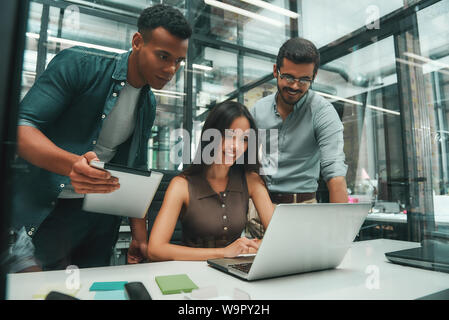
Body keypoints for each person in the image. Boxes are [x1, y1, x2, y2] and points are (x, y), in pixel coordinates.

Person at [7, 4, 192, 272]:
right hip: (49, 208)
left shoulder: (148, 102)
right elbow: (21, 128)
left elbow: (135, 170)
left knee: (93, 290)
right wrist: (73, 165)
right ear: (138, 42)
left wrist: (140, 236)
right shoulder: (80, 64)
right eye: (163, 56)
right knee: (40, 288)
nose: (171, 69)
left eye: (178, 61)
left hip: (100, 218)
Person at [147, 101, 275, 261]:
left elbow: (277, 236)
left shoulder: (251, 180)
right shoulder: (181, 185)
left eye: (244, 139)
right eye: (230, 136)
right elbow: (155, 249)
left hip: (233, 273)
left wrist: (256, 245)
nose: (236, 146)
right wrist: (223, 253)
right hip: (190, 273)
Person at [248, 37, 348, 237]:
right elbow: (248, 165)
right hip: (260, 209)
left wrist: (341, 235)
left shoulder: (323, 112)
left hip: (304, 212)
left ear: (314, 75)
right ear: (276, 71)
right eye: (288, 77)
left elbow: (334, 173)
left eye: (304, 80)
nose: (295, 86)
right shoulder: (258, 110)